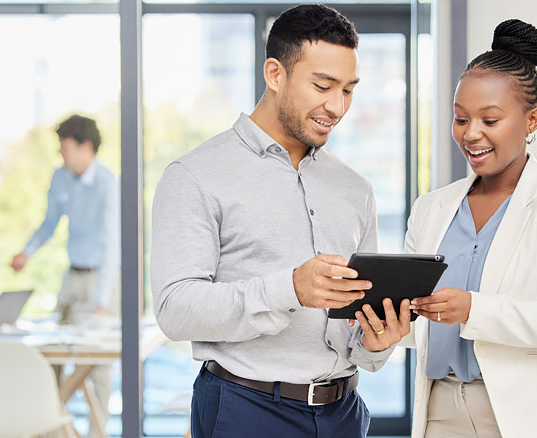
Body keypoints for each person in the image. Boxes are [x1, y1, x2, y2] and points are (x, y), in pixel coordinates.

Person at [150, 5, 411, 437]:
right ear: (275, 74)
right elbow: (175, 309)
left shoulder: (356, 188)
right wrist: (288, 288)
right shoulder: (195, 176)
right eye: (323, 86)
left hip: (345, 413)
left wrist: (374, 340)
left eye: (348, 89)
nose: (337, 106)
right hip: (245, 410)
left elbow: (352, 324)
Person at [402, 19, 537, 438]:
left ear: (531, 120)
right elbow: (416, 325)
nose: (471, 134)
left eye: (489, 120)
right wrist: (383, 318)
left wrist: (473, 309)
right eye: (461, 119)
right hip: (440, 411)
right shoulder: (431, 208)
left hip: (532, 416)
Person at [10, 114, 120, 438]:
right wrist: (26, 252)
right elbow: (50, 222)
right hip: (72, 277)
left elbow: (113, 243)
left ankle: (97, 433)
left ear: (86, 147)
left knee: (98, 363)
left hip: (103, 279)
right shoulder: (60, 178)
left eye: (66, 148)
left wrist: (102, 299)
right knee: (53, 352)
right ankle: (54, 430)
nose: (62, 155)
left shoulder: (107, 184)